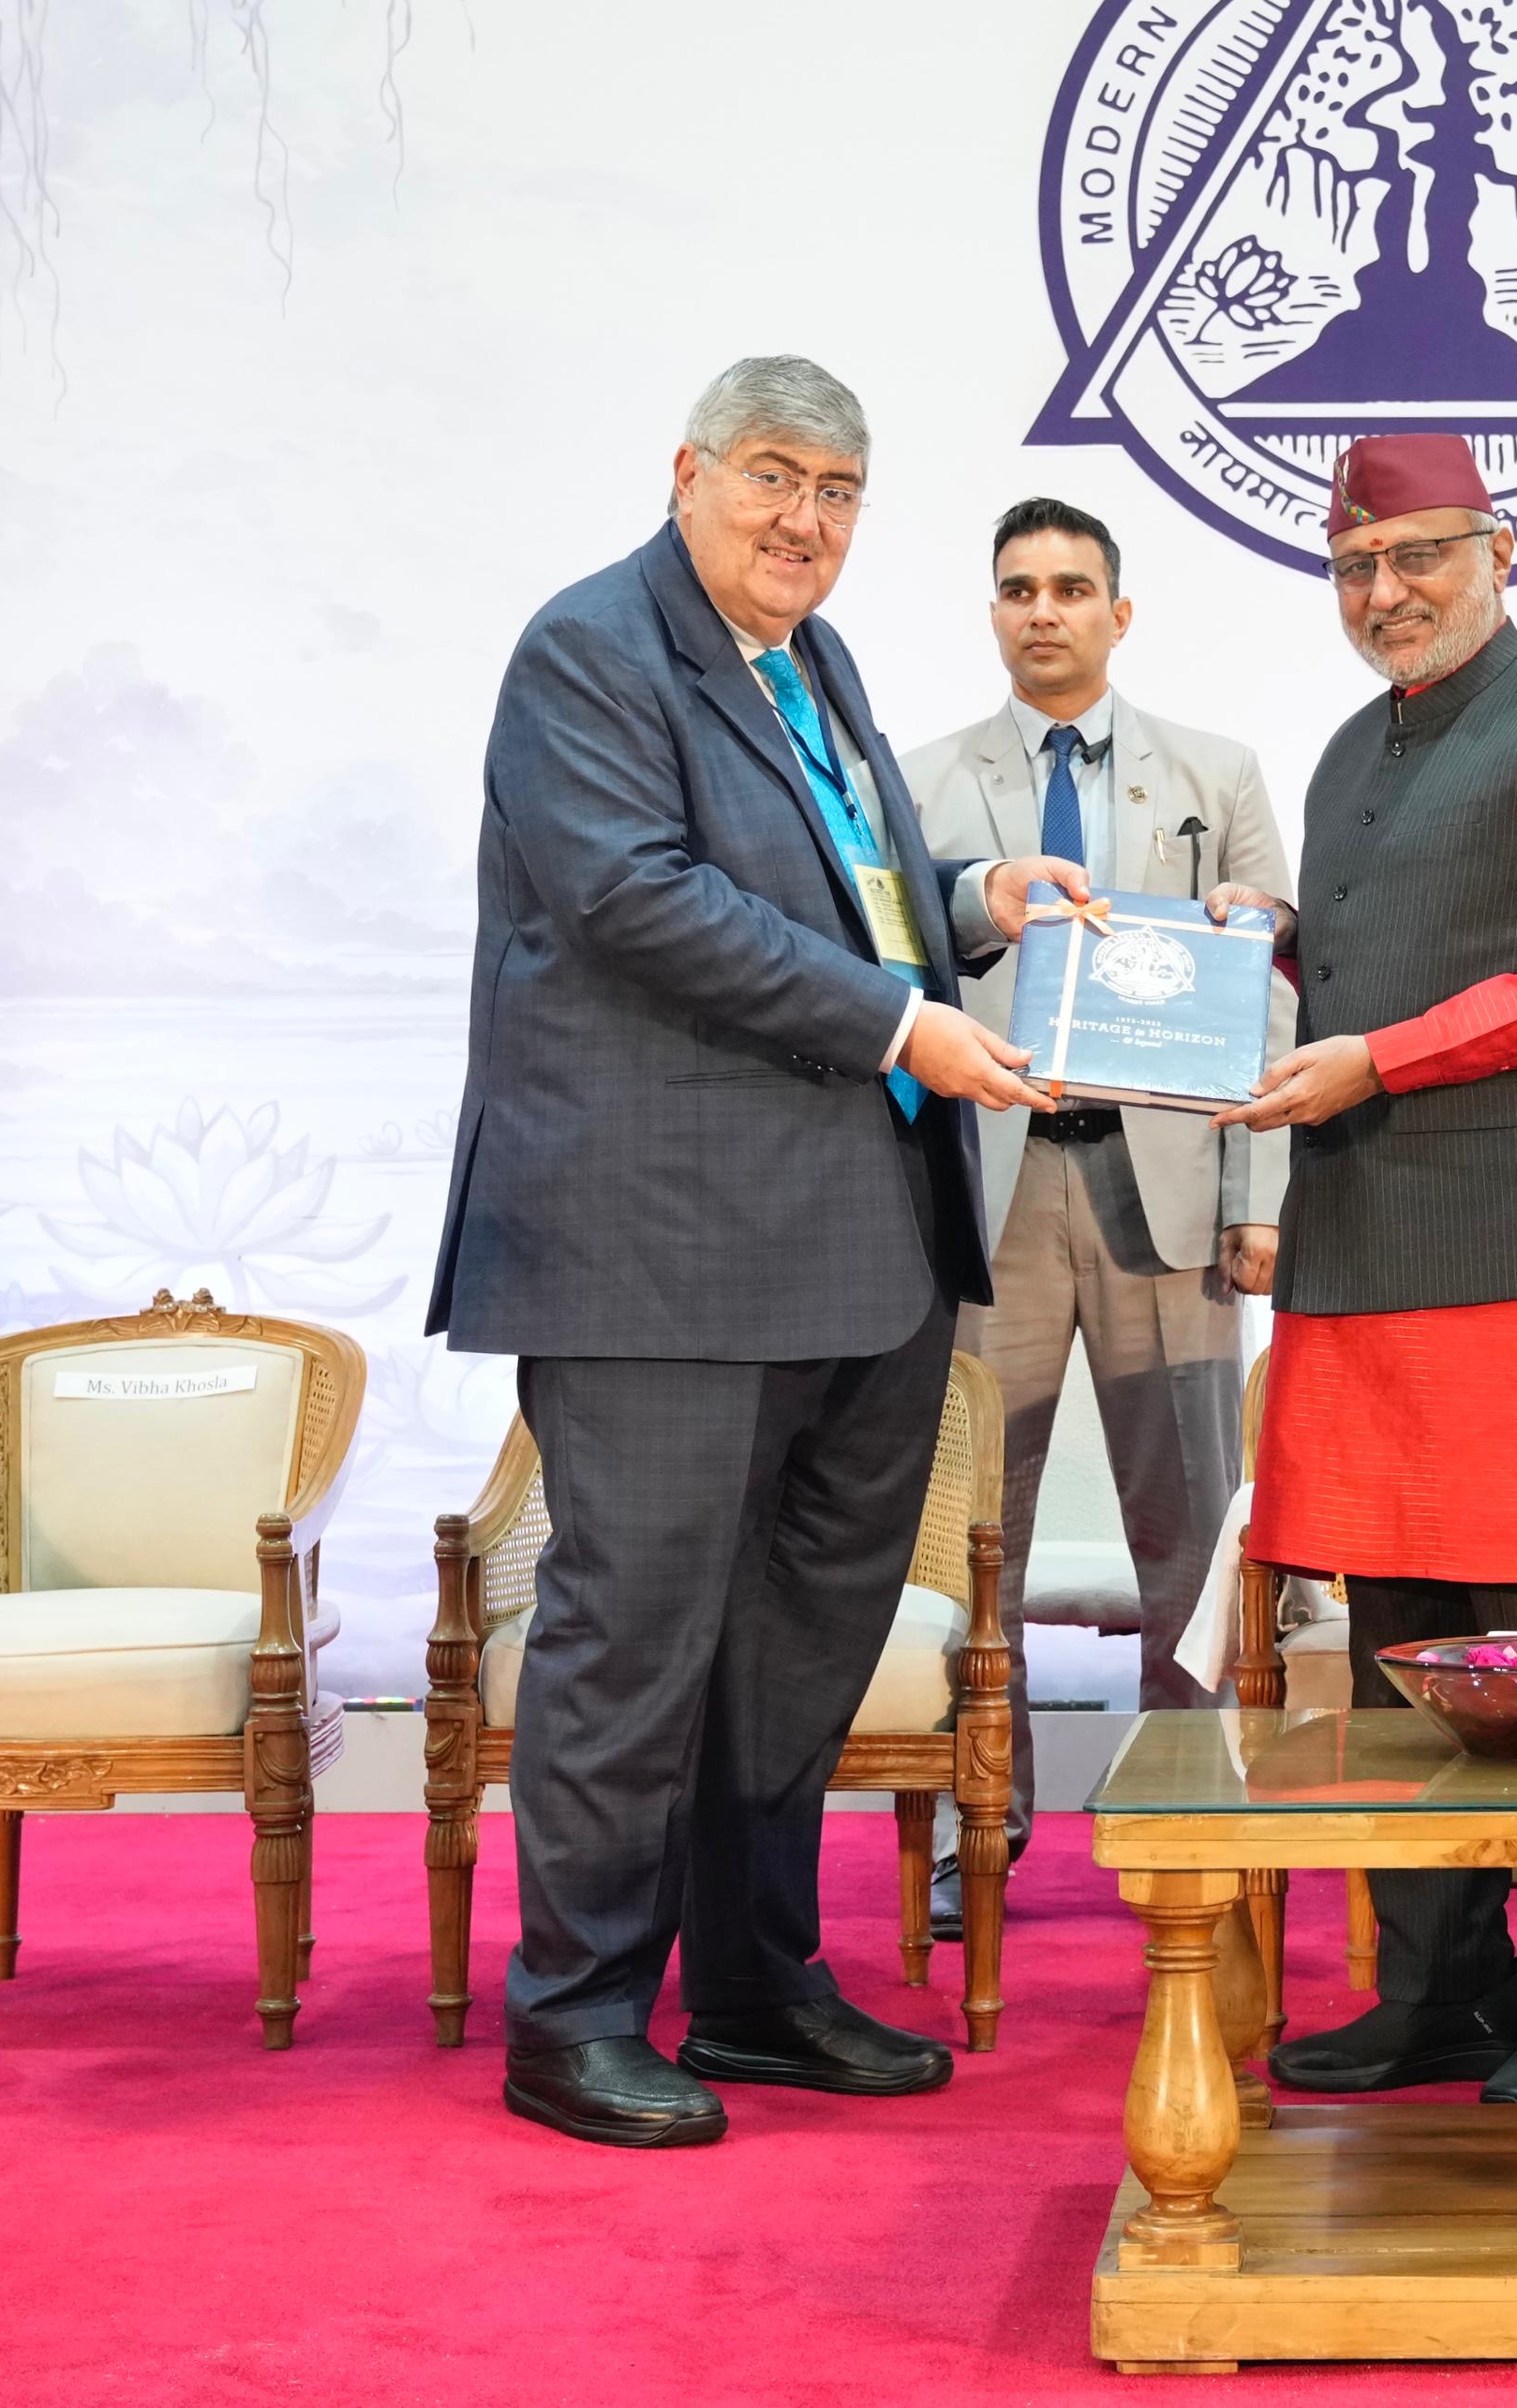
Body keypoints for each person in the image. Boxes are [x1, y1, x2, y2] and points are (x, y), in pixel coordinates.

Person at [429, 356, 1084, 2148]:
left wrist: (968, 906)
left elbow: (839, 877)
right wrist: (900, 1021)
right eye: (775, 479)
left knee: (796, 1648)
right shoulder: (589, 650)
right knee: (631, 1640)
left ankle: (754, 1988)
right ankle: (571, 2019)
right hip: (658, 1250)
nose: (806, 522)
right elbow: (639, 898)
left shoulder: (810, 660)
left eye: (841, 495)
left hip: (855, 1245)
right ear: (689, 473)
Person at [1205, 432, 1517, 2108]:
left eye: (1416, 557)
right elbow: (1378, 954)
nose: (1383, 593)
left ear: (1498, 549)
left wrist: (1383, 1059)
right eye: (1353, 567)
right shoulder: (1349, 753)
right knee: (1397, 1644)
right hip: (1364, 1256)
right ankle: (1440, 1992)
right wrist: (1240, 951)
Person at [901, 498, 1295, 1940]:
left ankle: (1184, 1811)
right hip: (991, 1194)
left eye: (1072, 586)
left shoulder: (1215, 772)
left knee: (1189, 1524)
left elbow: (1271, 988)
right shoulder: (921, 780)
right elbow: (895, 968)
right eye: (1017, 589)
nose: (1044, 609)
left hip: (1167, 1190)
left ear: (1120, 613)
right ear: (992, 614)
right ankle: (972, 1825)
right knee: (969, 1529)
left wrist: (1262, 1198)